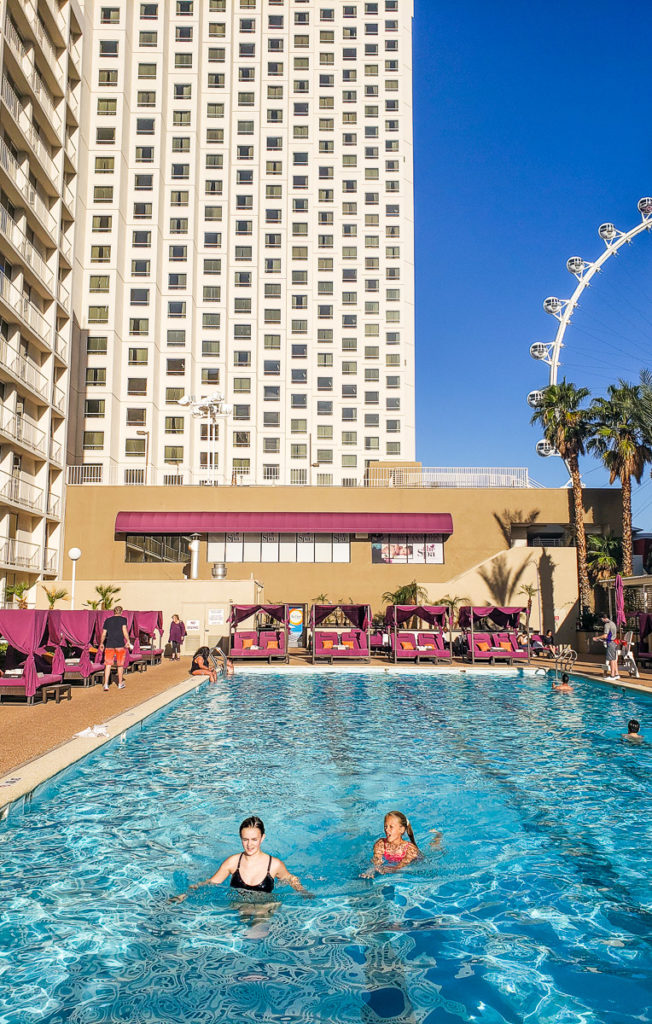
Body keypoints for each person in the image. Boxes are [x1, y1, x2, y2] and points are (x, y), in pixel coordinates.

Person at [178, 816, 309, 899]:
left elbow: (291, 878)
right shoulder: (233, 862)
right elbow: (211, 882)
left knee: (255, 934)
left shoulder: (274, 865)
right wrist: (186, 893)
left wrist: (303, 892)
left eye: (254, 839)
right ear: (240, 838)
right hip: (239, 906)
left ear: (262, 838)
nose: (249, 844)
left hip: (265, 907)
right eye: (245, 839)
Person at [365, 811, 420, 876]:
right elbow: (376, 861)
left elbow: (400, 868)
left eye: (391, 827)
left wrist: (385, 869)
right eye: (385, 826)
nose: (387, 830)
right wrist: (370, 871)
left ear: (401, 829)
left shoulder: (410, 849)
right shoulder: (381, 844)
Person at [99, 605, 131, 691]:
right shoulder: (123, 620)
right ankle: (120, 684)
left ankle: (106, 684)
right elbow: (124, 630)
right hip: (120, 645)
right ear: (121, 612)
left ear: (114, 611)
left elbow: (104, 633)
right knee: (120, 665)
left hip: (109, 644)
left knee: (108, 665)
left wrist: (101, 643)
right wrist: (128, 640)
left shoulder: (108, 620)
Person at [597, 613, 619, 680]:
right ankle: (617, 674)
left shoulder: (607, 625)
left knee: (611, 659)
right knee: (614, 659)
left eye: (601, 619)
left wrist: (597, 638)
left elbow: (605, 635)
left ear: (603, 618)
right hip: (614, 642)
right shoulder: (613, 623)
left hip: (610, 642)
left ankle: (612, 675)